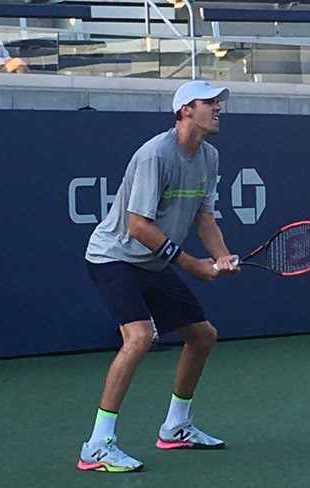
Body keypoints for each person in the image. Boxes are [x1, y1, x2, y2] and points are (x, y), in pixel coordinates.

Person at [77, 80, 240, 473]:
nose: (218, 108)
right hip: (113, 256)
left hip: (151, 261)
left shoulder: (210, 157)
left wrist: (220, 257)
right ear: (185, 109)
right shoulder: (156, 154)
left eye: (219, 103)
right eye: (209, 103)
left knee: (202, 336)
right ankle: (97, 445)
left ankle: (176, 426)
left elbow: (204, 218)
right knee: (140, 336)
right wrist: (191, 265)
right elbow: (137, 226)